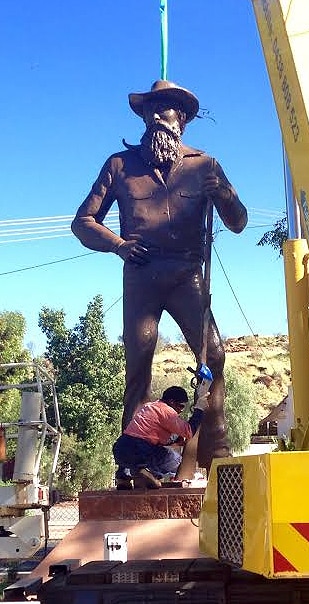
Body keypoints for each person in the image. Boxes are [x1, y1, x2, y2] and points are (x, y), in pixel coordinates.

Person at [71, 80, 248, 470]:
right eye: (149, 110)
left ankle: (214, 452)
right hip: (141, 276)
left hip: (188, 276)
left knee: (214, 356)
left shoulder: (205, 165)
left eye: (163, 108)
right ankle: (134, 460)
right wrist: (118, 246)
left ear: (180, 119)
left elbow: (238, 222)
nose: (154, 116)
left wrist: (223, 194)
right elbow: (82, 222)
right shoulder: (120, 165)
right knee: (138, 364)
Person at [113, 386, 209, 489]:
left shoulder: (148, 407)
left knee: (130, 453)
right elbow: (189, 431)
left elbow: (145, 435)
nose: (181, 411)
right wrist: (199, 408)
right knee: (177, 461)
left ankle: (123, 478)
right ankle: (147, 473)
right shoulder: (167, 411)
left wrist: (175, 440)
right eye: (180, 406)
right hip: (141, 450)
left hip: (120, 448)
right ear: (171, 402)